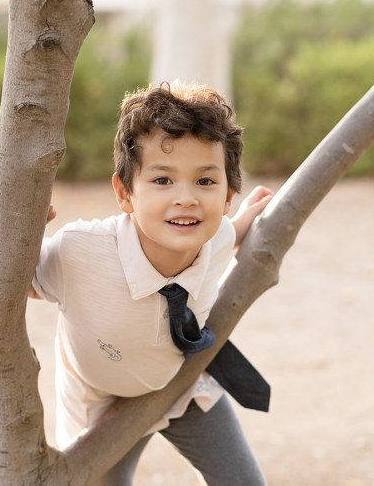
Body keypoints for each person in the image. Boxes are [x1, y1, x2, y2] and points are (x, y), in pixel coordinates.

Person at [30, 81, 273, 485]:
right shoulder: (81, 252)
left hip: (180, 385)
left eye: (205, 182)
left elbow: (232, 232)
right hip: (101, 405)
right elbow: (24, 282)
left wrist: (252, 215)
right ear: (125, 193)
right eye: (163, 181)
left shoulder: (213, 239)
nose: (186, 199)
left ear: (227, 195)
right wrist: (25, 230)